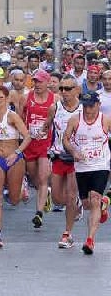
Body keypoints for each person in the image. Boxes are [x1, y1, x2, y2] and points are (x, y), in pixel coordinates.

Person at [61, 91, 111, 255]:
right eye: (85, 105)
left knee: (94, 198)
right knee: (87, 204)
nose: (88, 109)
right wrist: (74, 151)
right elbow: (66, 139)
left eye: (91, 106)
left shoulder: (105, 119)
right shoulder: (75, 120)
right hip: (82, 166)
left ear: (98, 105)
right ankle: (104, 204)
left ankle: (90, 239)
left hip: (100, 165)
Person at [0, 86, 31, 248]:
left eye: (0, 97)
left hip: (14, 159)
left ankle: (21, 187)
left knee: (14, 200)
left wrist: (16, 152)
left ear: (6, 99)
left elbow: (27, 137)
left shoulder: (12, 116)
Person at [44, 76, 82, 248]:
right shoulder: (55, 107)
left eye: (68, 88)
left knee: (71, 195)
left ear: (76, 90)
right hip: (58, 156)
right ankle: (76, 204)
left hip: (76, 158)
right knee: (59, 199)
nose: (64, 92)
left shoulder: (83, 109)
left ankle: (67, 234)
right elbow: (47, 125)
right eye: (62, 89)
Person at [21, 69, 55, 229]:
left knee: (42, 178)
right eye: (35, 81)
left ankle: (38, 213)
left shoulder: (55, 99)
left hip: (45, 144)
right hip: (30, 143)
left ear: (48, 82)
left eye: (40, 81)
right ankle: (45, 193)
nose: (37, 84)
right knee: (34, 176)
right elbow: (21, 119)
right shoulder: (26, 97)